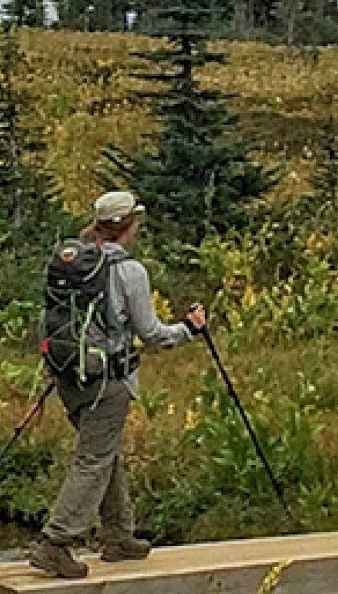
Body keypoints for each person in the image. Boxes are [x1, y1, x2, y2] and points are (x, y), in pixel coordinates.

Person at [28, 191, 207, 579]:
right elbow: (152, 333)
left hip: (68, 375)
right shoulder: (130, 271)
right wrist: (190, 329)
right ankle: (55, 543)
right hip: (108, 381)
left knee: (103, 452)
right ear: (129, 225)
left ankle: (119, 536)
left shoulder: (71, 261)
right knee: (93, 459)